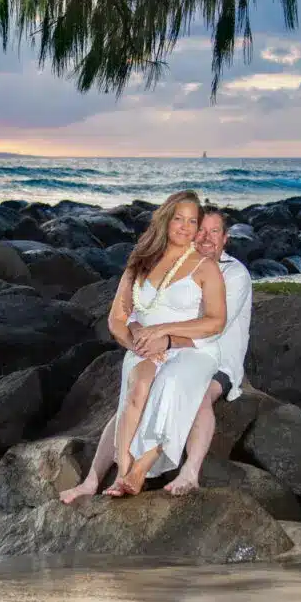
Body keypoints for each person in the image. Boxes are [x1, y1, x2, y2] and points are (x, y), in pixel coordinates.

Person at [60, 206, 252, 502]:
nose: (206, 238)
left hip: (219, 357)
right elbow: (139, 311)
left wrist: (164, 340)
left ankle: (190, 472)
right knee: (130, 400)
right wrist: (143, 335)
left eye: (215, 232)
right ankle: (92, 480)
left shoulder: (233, 273)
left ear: (225, 239)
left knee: (195, 397)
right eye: (200, 230)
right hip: (170, 347)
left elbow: (215, 328)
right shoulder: (175, 265)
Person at [87, 190, 228, 498]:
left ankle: (138, 472)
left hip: (192, 347)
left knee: (170, 383)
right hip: (144, 346)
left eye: (193, 221)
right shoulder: (140, 263)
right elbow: (117, 318)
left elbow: (216, 321)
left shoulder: (205, 267)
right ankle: (122, 471)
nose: (185, 227)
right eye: (179, 218)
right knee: (138, 387)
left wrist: (165, 333)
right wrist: (137, 344)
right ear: (165, 220)